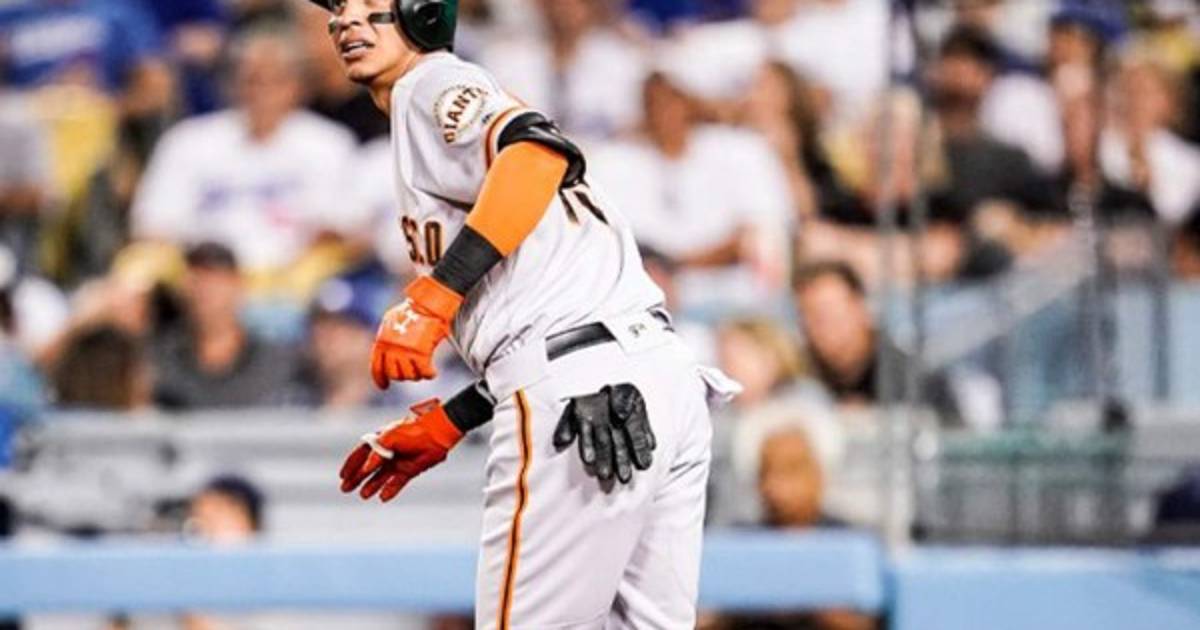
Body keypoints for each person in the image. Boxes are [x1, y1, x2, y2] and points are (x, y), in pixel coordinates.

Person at [309, 1, 735, 628]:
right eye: (339, 8)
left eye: (371, 3)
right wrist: (456, 417)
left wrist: (434, 297)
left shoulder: (430, 82)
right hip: (653, 378)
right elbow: (545, 306)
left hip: (581, 390)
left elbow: (536, 155)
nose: (348, 19)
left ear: (423, 12)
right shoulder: (427, 123)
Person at [131, 28, 359, 275]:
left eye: (276, 80)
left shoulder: (329, 143)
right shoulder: (188, 140)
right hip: (201, 275)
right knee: (137, 266)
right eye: (252, 80)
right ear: (232, 85)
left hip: (293, 278)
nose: (262, 92)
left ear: (297, 87)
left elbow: (338, 228)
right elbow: (153, 225)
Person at [151, 242, 306, 409]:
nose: (204, 291)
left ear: (238, 285)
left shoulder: (277, 363)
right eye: (196, 280)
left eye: (214, 281)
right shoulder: (157, 362)